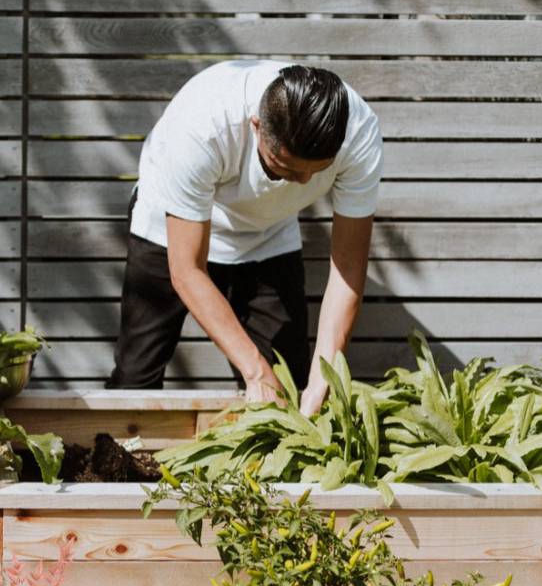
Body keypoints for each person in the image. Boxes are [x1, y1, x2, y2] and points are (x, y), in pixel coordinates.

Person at [107, 61, 383, 415]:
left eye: (316, 173)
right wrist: (254, 370)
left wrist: (323, 376)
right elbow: (187, 270)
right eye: (283, 168)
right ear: (257, 126)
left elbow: (347, 269)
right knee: (135, 380)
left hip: (267, 234)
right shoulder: (202, 125)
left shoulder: (358, 133)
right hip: (169, 228)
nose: (301, 183)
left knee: (287, 386)